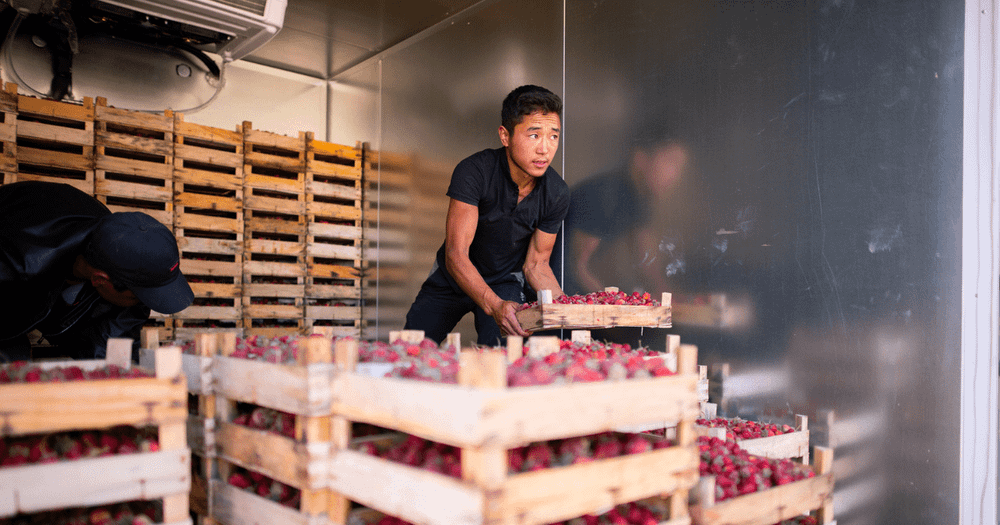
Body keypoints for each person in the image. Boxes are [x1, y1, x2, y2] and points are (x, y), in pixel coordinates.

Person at [404, 85, 570, 346]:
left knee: (503, 356)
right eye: (534, 135)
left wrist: (568, 308)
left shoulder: (557, 192)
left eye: (553, 137)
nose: (545, 149)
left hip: (504, 282)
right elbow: (455, 254)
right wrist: (493, 305)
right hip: (453, 276)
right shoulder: (474, 172)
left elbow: (536, 265)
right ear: (505, 136)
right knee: (411, 346)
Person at [0, 180, 194, 361]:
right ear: (99, 279)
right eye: (138, 297)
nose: (143, 305)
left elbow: (110, 346)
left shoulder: (116, 245)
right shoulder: (17, 264)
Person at [562, 129, 692, 297]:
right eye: (670, 162)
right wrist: (618, 304)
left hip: (586, 291)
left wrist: (669, 296)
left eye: (679, 167)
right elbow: (577, 267)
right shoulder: (604, 195)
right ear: (641, 159)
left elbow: (646, 260)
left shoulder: (640, 196)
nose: (674, 175)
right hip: (558, 292)